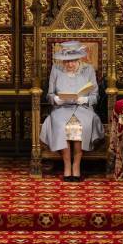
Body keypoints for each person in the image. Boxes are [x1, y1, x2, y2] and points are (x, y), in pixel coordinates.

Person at [39, 41, 104, 182]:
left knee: (80, 126)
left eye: (73, 61)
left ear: (80, 58)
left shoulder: (89, 70)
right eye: (66, 61)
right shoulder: (56, 70)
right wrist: (56, 99)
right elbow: (49, 95)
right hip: (61, 109)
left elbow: (95, 96)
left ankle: (76, 165)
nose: (69, 65)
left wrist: (85, 100)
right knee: (62, 126)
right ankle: (67, 165)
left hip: (83, 109)